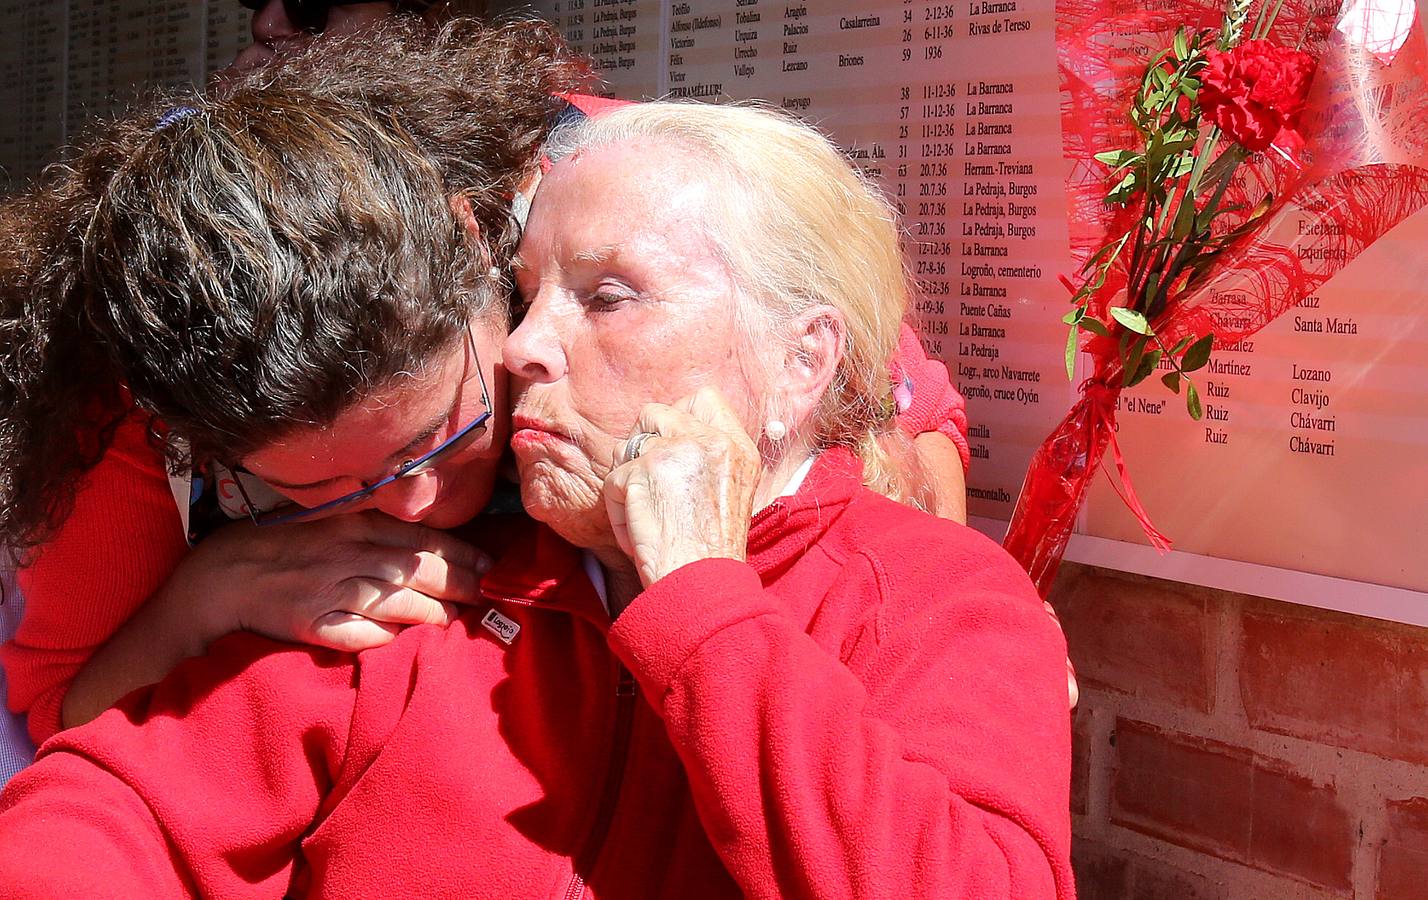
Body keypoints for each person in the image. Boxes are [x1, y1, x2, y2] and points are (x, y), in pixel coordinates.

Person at [0, 98, 1073, 898]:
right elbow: (106, 805)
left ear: (799, 362)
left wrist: (704, 601)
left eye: (607, 295)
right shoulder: (436, 584)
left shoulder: (937, 602)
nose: (523, 345)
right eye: (525, 295)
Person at [0, 18, 978, 767]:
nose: (414, 510)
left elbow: (886, 372)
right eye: (308, 491)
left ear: (479, 246)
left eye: (432, 436)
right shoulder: (126, 385)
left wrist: (945, 610)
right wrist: (204, 596)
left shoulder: (595, 176)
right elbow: (62, 714)